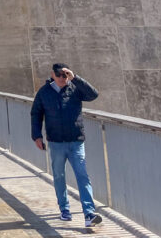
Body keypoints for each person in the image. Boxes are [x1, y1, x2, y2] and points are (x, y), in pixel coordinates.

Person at [31, 63, 103, 228]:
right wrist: (36, 136)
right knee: (59, 176)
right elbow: (36, 114)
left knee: (83, 176)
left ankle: (89, 214)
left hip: (76, 141)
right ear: (52, 75)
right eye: (59, 75)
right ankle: (65, 210)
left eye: (65, 75)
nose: (62, 78)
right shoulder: (44, 92)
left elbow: (93, 94)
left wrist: (75, 78)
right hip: (56, 143)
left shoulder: (75, 88)